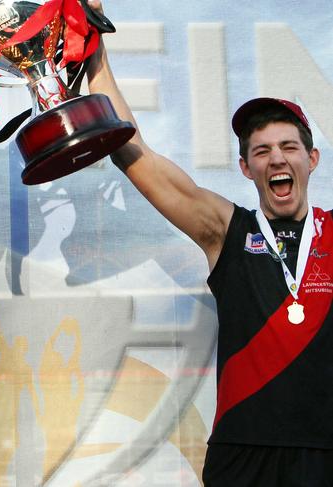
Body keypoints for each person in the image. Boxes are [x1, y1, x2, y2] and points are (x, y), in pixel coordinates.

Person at [85, 0, 333, 485]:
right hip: (243, 454)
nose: (275, 159)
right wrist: (94, 52)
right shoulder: (228, 230)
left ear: (312, 159)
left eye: (288, 147)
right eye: (261, 151)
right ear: (246, 168)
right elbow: (134, 155)